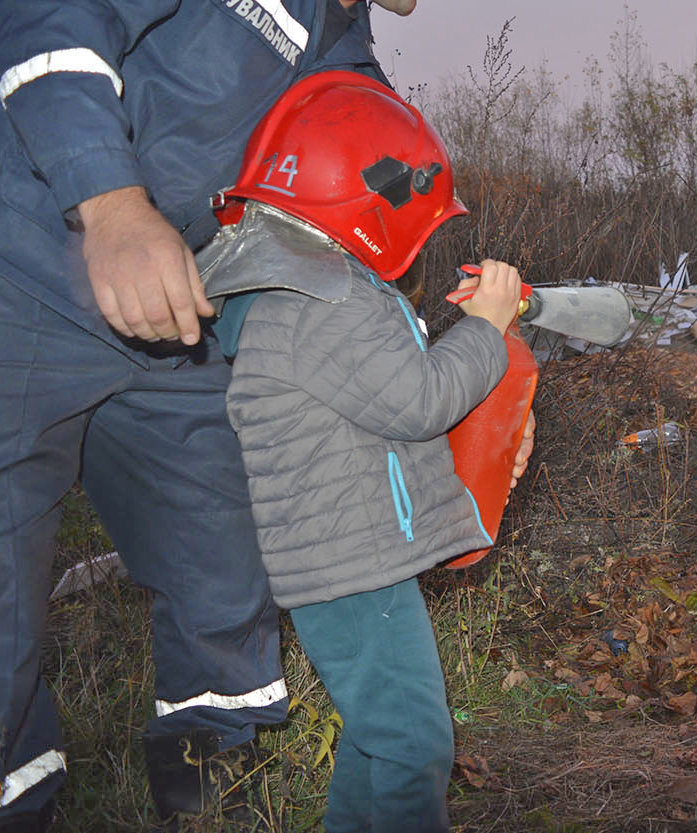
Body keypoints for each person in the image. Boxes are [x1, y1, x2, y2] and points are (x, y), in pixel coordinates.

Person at [0, 0, 473, 829]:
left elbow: (348, 273)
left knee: (227, 559)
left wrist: (471, 401)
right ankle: (6, 791)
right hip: (9, 285)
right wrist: (112, 206)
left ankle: (207, 780)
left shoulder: (346, 71)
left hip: (171, 326)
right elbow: (46, 16)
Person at [209, 70, 524, 833]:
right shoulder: (328, 297)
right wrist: (486, 328)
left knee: (384, 739)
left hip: (341, 558)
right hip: (353, 567)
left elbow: (374, 408)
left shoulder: (291, 285)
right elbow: (419, 402)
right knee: (414, 742)